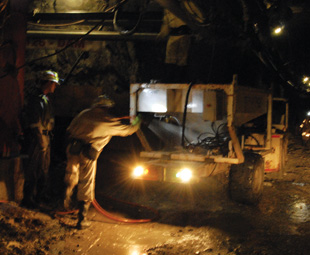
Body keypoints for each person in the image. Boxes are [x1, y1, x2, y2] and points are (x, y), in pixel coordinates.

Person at [63, 95, 141, 229]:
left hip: (73, 148)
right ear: (106, 107)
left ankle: (65, 200)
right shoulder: (107, 120)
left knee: (71, 174)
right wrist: (138, 122)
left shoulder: (83, 114)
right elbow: (127, 131)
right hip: (87, 153)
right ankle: (82, 219)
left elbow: (69, 130)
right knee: (86, 182)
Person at [21, 70, 60, 208]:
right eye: (54, 84)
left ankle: (39, 197)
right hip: (37, 139)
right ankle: (28, 198)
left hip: (45, 137)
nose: (55, 87)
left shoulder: (45, 99)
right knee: (33, 169)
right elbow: (35, 122)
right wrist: (40, 140)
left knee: (44, 169)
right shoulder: (36, 100)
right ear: (49, 83)